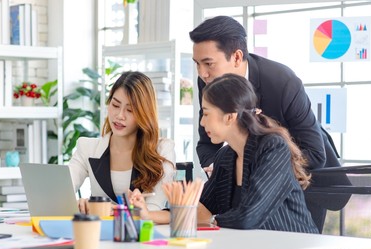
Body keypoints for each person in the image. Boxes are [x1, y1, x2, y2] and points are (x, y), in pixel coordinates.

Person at [189, 15, 350, 233]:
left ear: (236, 57)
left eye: (208, 63)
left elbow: (314, 152)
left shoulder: (282, 81)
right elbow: (207, 143)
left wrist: (265, 166)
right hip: (249, 187)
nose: (202, 73)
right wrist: (218, 165)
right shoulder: (208, 80)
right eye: (197, 64)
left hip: (306, 179)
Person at [197, 73, 319, 234]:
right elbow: (201, 206)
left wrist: (210, 221)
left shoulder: (273, 148)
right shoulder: (225, 156)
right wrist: (153, 215)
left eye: (206, 114)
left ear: (229, 117)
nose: (202, 122)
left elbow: (249, 216)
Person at [68, 71, 176, 223]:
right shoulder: (87, 147)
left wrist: (102, 208)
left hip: (144, 240)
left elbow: (152, 210)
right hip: (100, 238)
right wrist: (80, 206)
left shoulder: (162, 150)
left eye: (130, 110)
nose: (119, 115)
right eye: (115, 105)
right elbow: (61, 194)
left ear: (145, 113)